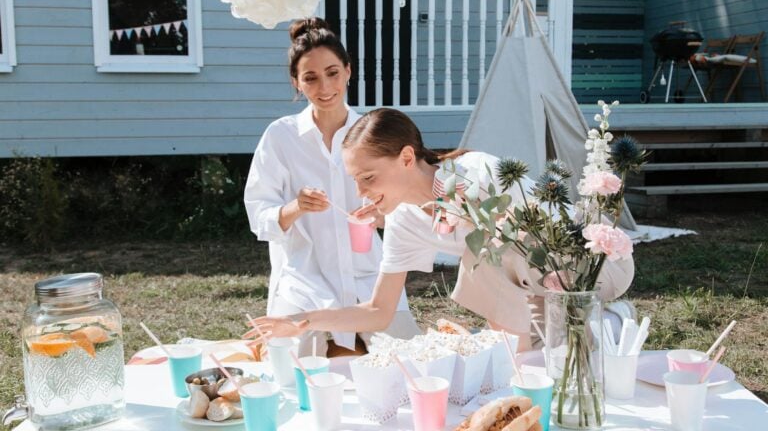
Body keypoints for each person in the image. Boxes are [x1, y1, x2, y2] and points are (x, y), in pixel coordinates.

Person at [248, 108, 635, 351]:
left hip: (591, 267)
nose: (360, 192)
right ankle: (587, 333)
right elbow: (378, 311)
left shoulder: (477, 172)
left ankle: (590, 328)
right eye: (355, 181)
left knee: (483, 252)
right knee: (529, 349)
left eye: (367, 177)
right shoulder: (402, 220)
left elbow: (530, 238)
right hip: (534, 291)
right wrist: (302, 321)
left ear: (405, 157)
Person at [243, 20, 420, 357]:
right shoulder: (280, 137)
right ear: (296, 82)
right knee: (295, 378)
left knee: (410, 365)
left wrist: (380, 216)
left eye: (332, 73)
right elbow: (259, 217)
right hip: (304, 281)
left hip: (369, 276)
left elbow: (407, 204)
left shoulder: (371, 131)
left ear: (348, 71)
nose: (324, 87)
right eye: (310, 78)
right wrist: (297, 207)